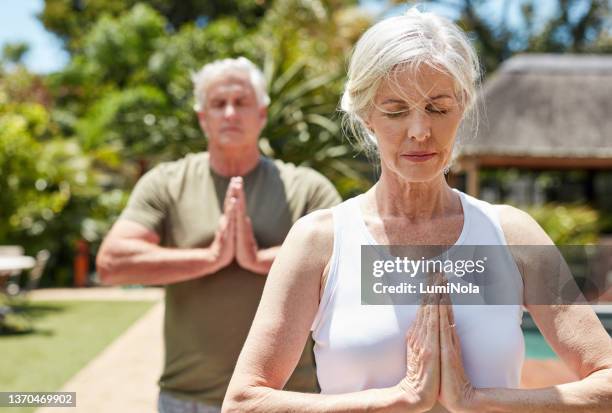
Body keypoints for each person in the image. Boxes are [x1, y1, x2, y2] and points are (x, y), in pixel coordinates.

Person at [222, 8, 612, 413]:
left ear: (462, 105)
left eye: (438, 108)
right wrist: (399, 399)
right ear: (366, 115)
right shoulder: (318, 241)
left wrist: (476, 402)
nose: (419, 131)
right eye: (395, 110)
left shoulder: (514, 235)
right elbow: (244, 402)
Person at [96, 57, 341, 413]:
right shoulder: (167, 183)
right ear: (202, 118)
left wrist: (259, 260)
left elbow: (348, 263)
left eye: (241, 103)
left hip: (288, 399)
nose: (229, 113)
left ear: (261, 114)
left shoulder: (306, 188)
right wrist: (210, 257)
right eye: (218, 104)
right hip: (187, 400)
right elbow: (111, 263)